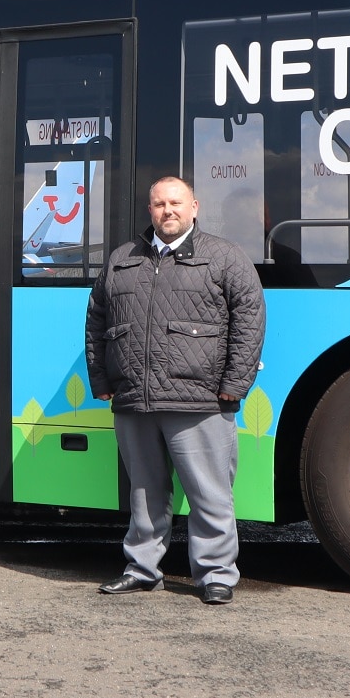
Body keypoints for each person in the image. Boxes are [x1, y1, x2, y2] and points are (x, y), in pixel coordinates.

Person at [84, 175, 264, 604]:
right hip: (134, 397)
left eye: (176, 203)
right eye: (160, 204)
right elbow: (96, 319)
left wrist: (234, 384)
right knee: (144, 492)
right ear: (150, 210)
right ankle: (143, 568)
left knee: (210, 492)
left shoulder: (225, 257)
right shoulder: (122, 258)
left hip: (199, 399)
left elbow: (250, 321)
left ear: (195, 207)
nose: (168, 211)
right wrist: (102, 380)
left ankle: (216, 575)